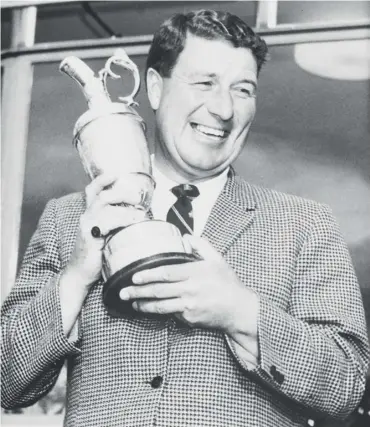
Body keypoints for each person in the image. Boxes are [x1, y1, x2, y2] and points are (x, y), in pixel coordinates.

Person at [1, 9, 369, 427]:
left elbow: (347, 383)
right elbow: (7, 380)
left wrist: (241, 313)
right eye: (205, 82)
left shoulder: (306, 225)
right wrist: (74, 278)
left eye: (243, 89)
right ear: (155, 89)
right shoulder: (70, 218)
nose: (224, 108)